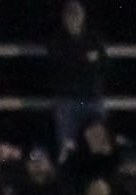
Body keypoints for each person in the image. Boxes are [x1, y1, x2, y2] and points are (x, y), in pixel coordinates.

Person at [47, 1, 107, 153]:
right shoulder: (56, 39)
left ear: (83, 16)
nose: (73, 17)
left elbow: (103, 64)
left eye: (76, 14)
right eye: (69, 14)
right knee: (68, 148)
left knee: (98, 147)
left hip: (91, 97)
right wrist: (85, 60)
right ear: (63, 17)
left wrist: (75, 60)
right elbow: (57, 65)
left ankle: (97, 174)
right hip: (67, 99)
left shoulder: (94, 37)